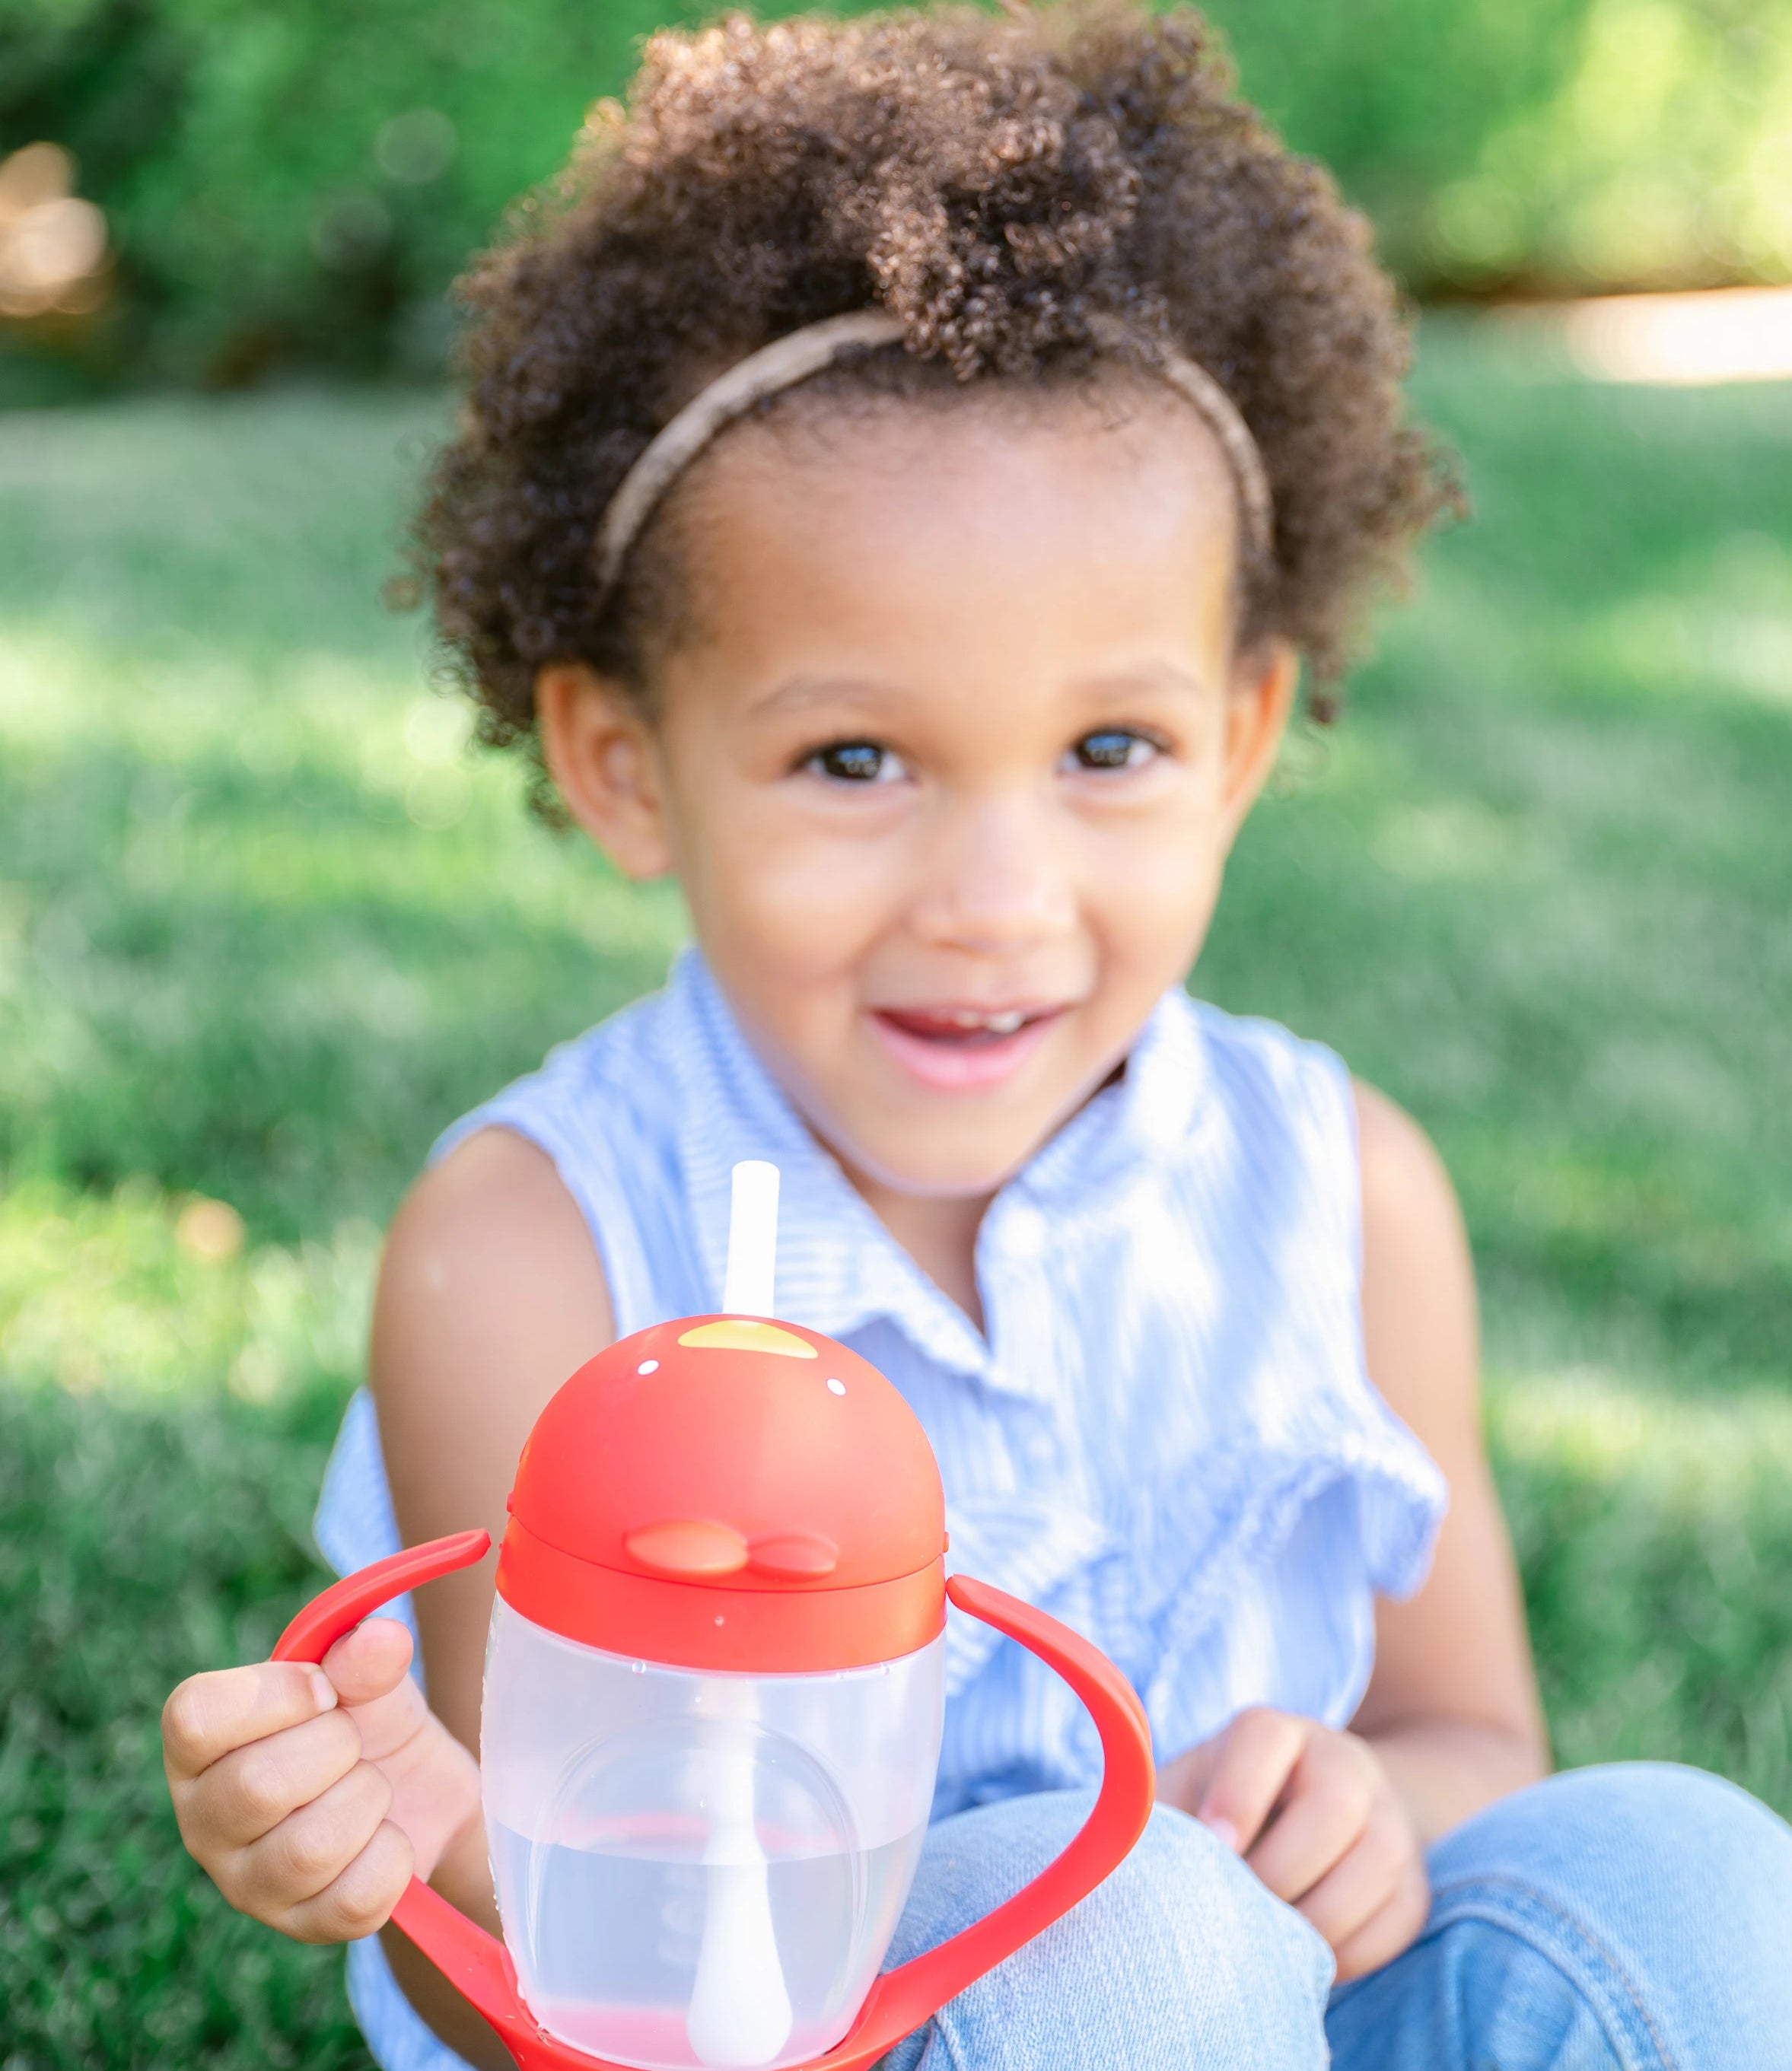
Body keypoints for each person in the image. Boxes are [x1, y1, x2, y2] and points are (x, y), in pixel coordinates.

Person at [160, 5, 1792, 2066]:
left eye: (1108, 747)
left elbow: (1473, 1731)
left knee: (1690, 1870)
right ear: (623, 764)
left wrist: (1387, 1805)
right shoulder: (534, 1245)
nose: (996, 895)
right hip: (798, 2031)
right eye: (854, 758)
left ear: (1246, 739)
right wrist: (393, 1846)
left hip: (1287, 2006)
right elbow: (524, 1972)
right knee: (1136, 1946)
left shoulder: (1340, 1189)